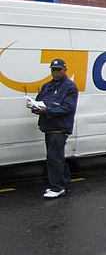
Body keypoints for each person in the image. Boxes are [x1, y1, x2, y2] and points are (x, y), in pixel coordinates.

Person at [31, 58, 79, 198]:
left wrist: (47, 111)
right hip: (48, 126)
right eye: (53, 70)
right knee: (57, 157)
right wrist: (35, 107)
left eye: (58, 70)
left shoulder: (70, 87)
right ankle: (64, 184)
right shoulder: (47, 86)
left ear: (65, 70)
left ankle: (57, 187)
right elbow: (40, 101)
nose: (56, 72)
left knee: (54, 158)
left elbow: (68, 107)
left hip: (60, 127)